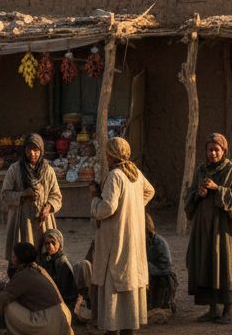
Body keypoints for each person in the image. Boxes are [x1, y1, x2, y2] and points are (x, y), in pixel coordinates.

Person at [90, 137, 154, 335]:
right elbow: (149, 191)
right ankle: (128, 328)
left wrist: (94, 201)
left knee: (114, 281)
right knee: (129, 280)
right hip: (131, 238)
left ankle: (112, 328)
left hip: (116, 239)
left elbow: (108, 207)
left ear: (111, 155)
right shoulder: (136, 173)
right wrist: (133, 208)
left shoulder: (116, 175)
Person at [185, 132, 232, 325]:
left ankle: (227, 310)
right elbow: (189, 196)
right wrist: (198, 193)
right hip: (204, 228)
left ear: (224, 151)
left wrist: (217, 189)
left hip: (224, 229)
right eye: (210, 150)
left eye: (216, 150)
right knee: (207, 264)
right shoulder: (201, 170)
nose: (213, 153)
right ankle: (212, 309)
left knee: (225, 265)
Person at [1, 134, 63, 263]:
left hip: (43, 222)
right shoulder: (15, 169)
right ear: (24, 150)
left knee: (44, 257)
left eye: (36, 150)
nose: (32, 153)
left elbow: (56, 196)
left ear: (41, 151)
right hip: (22, 221)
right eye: (29, 149)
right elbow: (4, 195)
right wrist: (22, 195)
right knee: (22, 258)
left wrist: (48, 207)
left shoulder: (48, 171)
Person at [0, 242, 73, 335]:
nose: (12, 258)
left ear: (18, 258)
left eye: (14, 255)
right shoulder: (38, 269)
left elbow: (2, 298)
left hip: (48, 324)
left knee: (9, 305)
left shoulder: (24, 274)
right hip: (61, 320)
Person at [37, 228, 80, 317]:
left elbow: (63, 288)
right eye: (47, 243)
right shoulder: (45, 258)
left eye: (53, 243)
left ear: (59, 244)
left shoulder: (62, 262)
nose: (50, 246)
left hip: (62, 300)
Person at [145, 214, 177, 312]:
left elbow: (164, 268)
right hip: (157, 272)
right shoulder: (150, 240)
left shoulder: (158, 241)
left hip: (161, 275)